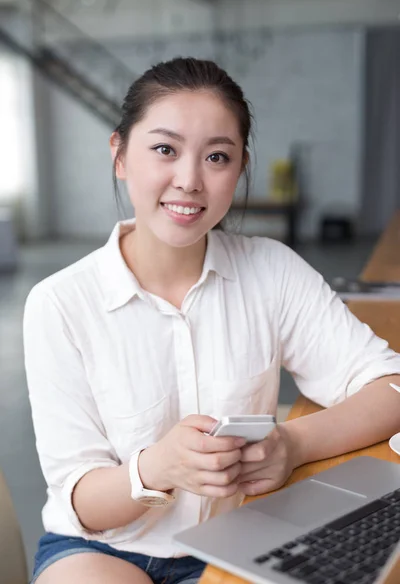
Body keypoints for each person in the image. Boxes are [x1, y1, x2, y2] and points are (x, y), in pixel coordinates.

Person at [24, 57, 400, 584]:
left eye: (216, 157)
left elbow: (391, 387)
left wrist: (292, 446)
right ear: (120, 155)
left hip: (240, 539)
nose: (189, 180)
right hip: (103, 550)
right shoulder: (59, 303)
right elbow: (82, 501)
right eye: (164, 149)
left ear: (240, 168)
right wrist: (159, 467)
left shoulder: (272, 270)